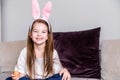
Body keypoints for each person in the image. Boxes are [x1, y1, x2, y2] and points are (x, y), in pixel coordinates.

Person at [6, 18, 71, 80]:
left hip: (48, 78)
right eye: (35, 31)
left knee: (62, 77)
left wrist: (64, 70)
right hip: (29, 78)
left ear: (47, 36)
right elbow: (21, 72)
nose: (39, 34)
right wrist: (17, 76)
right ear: (30, 34)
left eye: (43, 32)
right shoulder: (25, 52)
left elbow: (58, 70)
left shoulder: (53, 52)